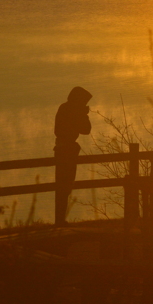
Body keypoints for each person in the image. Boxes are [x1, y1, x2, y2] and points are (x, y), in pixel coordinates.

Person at [54, 86, 92, 225]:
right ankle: (59, 220)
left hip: (65, 149)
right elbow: (86, 129)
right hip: (66, 150)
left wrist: (82, 114)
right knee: (64, 186)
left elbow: (85, 130)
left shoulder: (65, 108)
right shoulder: (70, 110)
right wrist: (83, 115)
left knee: (65, 186)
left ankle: (60, 219)